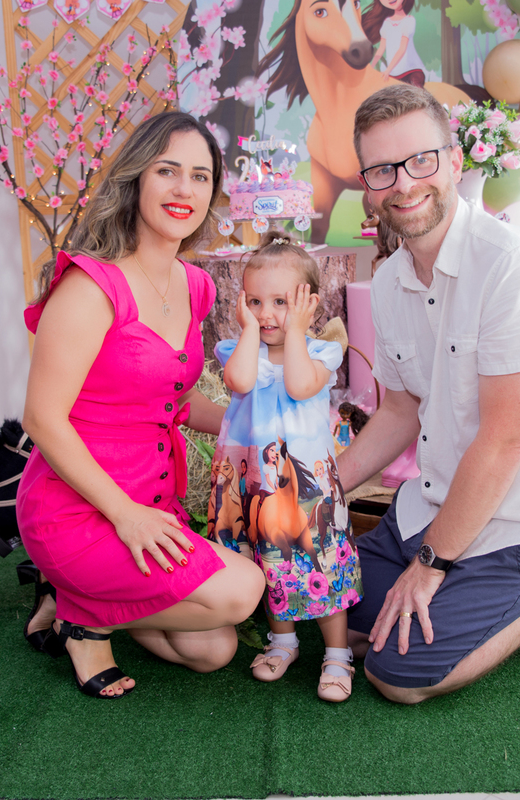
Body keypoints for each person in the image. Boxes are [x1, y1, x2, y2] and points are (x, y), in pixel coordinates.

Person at [338, 84, 520, 704]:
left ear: (455, 160)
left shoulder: (513, 265)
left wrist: (430, 566)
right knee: (335, 608)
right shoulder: (388, 281)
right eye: (383, 169)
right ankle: (455, 578)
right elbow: (400, 409)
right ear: (368, 184)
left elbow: (506, 439)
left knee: (397, 676)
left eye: (422, 159)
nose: (405, 183)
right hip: (436, 502)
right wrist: (323, 489)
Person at [16, 112, 265, 699]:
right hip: (79, 506)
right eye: (168, 171)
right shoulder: (90, 287)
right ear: (135, 179)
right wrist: (124, 516)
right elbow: (42, 419)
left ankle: (71, 600)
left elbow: (174, 402)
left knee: (212, 648)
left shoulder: (195, 286)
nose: (185, 190)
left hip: (152, 496)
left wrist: (251, 427)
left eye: (201, 177)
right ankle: (85, 620)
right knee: (241, 591)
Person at [207, 233, 363, 702]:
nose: (266, 313)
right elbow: (239, 381)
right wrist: (250, 332)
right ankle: (284, 640)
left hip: (302, 483)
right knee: (269, 564)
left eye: (280, 302)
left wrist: (296, 332)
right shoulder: (237, 351)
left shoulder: (321, 352)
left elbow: (298, 387)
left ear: (308, 305)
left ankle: (337, 653)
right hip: (250, 481)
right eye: (255, 301)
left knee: (318, 559)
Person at [361, 0, 426, 87]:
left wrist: (388, 69)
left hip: (411, 70)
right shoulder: (386, 23)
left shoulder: (409, 20)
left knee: (415, 94)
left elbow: (402, 49)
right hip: (393, 74)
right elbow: (381, 48)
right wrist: (372, 67)